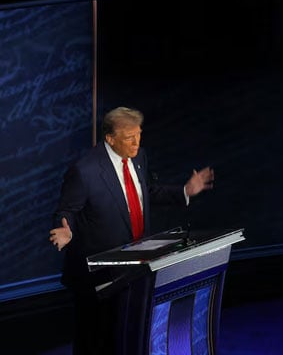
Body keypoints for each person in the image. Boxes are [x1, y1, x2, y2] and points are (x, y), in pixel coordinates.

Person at [48, 107, 214, 355]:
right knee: (94, 342)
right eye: (129, 137)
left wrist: (184, 192)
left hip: (135, 268)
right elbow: (66, 211)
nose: (136, 142)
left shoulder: (138, 157)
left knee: (126, 338)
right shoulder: (85, 171)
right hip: (97, 277)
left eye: (139, 134)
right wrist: (66, 231)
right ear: (110, 138)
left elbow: (146, 192)